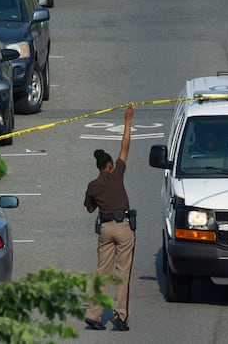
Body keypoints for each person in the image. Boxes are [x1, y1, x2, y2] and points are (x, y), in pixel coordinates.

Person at [84, 105, 136, 332]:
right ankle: (120, 316)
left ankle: (94, 315)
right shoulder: (117, 174)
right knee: (122, 272)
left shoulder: (93, 185)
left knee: (102, 272)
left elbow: (89, 208)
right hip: (123, 227)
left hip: (104, 228)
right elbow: (125, 146)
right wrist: (128, 119)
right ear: (109, 165)